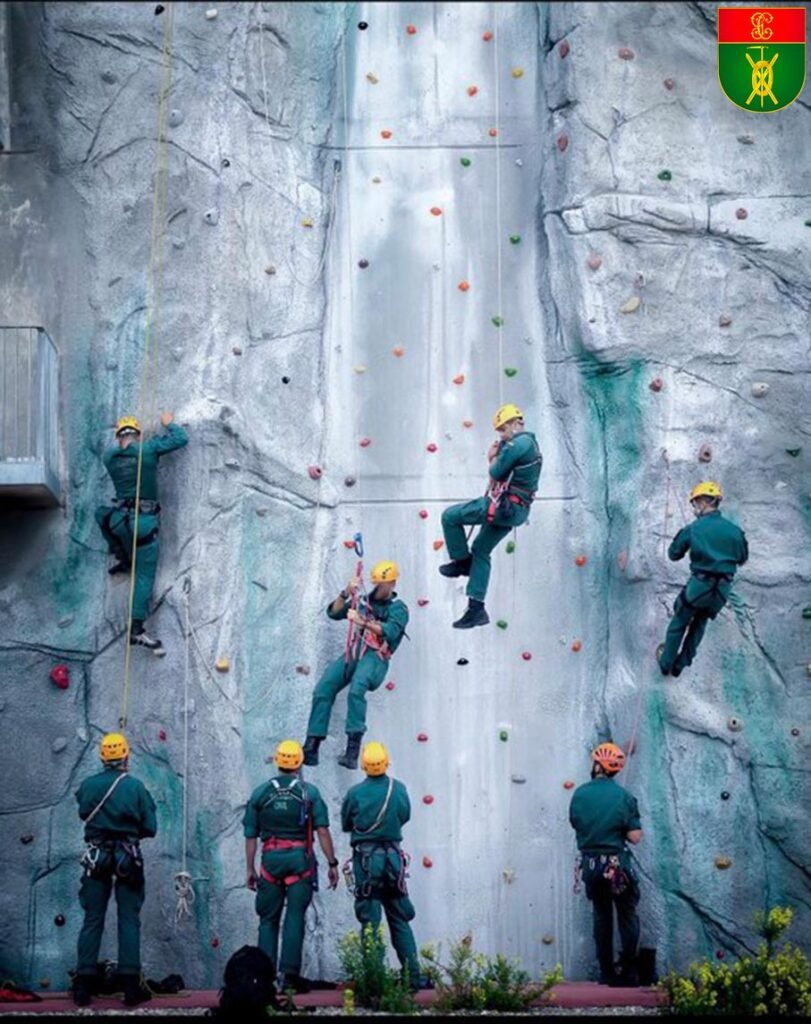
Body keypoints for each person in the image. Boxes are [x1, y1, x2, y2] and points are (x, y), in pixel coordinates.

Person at [243, 740, 339, 992]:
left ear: (277, 761)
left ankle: (264, 979)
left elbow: (250, 836)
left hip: (270, 862)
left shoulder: (260, 793)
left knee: (268, 920)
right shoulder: (310, 793)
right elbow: (322, 831)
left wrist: (250, 869)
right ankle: (290, 976)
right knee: (295, 916)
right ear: (299, 763)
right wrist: (332, 863)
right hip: (299, 862)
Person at [72, 733, 157, 1008]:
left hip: (97, 857)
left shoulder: (88, 785)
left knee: (92, 918)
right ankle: (131, 985)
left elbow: (84, 813)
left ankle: (83, 984)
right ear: (126, 757)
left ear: (102, 758)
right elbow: (150, 827)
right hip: (127, 858)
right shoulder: (135, 787)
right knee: (128, 919)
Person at [439, 403, 542, 628]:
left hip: (506, 506)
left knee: (449, 516)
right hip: (515, 511)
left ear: (516, 424)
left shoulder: (520, 442)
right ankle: (476, 608)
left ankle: (462, 562)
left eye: (503, 430)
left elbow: (496, 471)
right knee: (481, 550)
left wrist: (493, 457)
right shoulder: (527, 444)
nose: (502, 435)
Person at [95, 412, 188, 653]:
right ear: (137, 434)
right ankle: (136, 628)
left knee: (102, 515)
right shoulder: (147, 450)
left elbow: (123, 451)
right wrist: (168, 424)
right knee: (144, 575)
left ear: (118, 438)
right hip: (143, 523)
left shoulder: (109, 457)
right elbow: (180, 438)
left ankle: (122, 556)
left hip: (119, 521)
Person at [302, 562, 408, 770]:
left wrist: (362, 622)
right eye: (376, 583)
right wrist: (345, 593)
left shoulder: (399, 608)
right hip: (355, 651)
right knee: (324, 687)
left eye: (382, 584)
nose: (377, 587)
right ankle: (312, 745)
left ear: (392, 583)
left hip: (376, 657)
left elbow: (390, 631)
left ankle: (352, 750)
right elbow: (334, 613)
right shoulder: (363, 601)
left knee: (357, 688)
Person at [341, 742, 420, 991]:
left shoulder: (354, 793)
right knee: (399, 919)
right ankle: (413, 978)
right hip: (393, 862)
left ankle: (374, 980)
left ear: (364, 765)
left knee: (370, 922)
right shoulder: (398, 789)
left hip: (366, 863)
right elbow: (405, 816)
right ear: (386, 762)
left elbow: (346, 823)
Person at [568, 743, 642, 987]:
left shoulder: (579, 794)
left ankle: (606, 972)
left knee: (601, 915)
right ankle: (630, 971)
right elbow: (635, 837)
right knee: (626, 914)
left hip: (591, 866)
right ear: (614, 770)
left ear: (597, 765)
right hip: (616, 865)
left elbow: (576, 824)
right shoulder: (625, 797)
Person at [658, 481, 748, 677]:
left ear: (703, 502)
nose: (695, 507)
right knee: (700, 622)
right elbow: (742, 558)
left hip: (700, 586)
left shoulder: (694, 528)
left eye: (696, 503)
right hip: (722, 590)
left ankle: (666, 663)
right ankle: (681, 664)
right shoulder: (735, 531)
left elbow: (674, 554)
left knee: (680, 620)